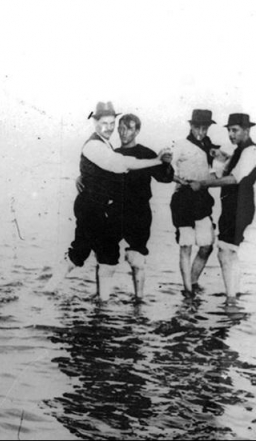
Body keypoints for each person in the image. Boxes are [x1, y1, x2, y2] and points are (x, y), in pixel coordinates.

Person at [46, 102, 171, 301]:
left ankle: (101, 304)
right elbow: (118, 164)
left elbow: (164, 176)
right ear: (95, 122)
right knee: (84, 253)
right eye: (106, 123)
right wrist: (157, 160)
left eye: (113, 123)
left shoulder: (107, 144)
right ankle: (51, 290)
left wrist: (82, 176)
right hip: (93, 208)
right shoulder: (96, 144)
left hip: (106, 209)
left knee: (105, 254)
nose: (112, 128)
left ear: (137, 130)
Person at [77, 113, 174, 300]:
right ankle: (101, 303)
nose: (122, 132)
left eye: (128, 128)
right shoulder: (113, 153)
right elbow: (97, 173)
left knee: (136, 259)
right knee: (106, 260)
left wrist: (167, 164)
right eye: (120, 127)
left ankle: (139, 302)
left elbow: (165, 177)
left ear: (137, 130)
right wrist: (81, 177)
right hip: (114, 211)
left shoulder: (146, 154)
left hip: (139, 213)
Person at [189, 113, 256, 304]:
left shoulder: (251, 151)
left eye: (235, 130)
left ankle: (231, 299)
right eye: (229, 130)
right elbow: (226, 170)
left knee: (225, 251)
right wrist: (220, 158)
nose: (231, 134)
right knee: (229, 251)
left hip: (240, 206)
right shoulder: (240, 151)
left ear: (247, 130)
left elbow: (234, 178)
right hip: (233, 207)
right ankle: (233, 295)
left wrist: (202, 184)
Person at [170, 109, 221, 296]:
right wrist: (180, 180)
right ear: (190, 126)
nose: (201, 131)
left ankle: (193, 279)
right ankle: (188, 290)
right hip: (183, 198)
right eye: (197, 127)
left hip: (202, 198)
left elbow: (217, 171)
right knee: (186, 245)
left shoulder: (211, 147)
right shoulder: (181, 144)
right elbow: (165, 167)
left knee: (207, 244)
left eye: (204, 127)